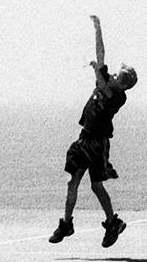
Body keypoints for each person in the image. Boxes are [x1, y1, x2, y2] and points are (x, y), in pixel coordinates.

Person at [51, 15, 137, 248]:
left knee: (96, 185)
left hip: (98, 143)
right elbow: (101, 56)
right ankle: (66, 224)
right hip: (84, 137)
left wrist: (95, 70)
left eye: (118, 74)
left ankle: (112, 223)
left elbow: (101, 85)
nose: (114, 74)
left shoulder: (118, 96)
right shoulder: (110, 81)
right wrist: (98, 28)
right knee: (72, 182)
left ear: (124, 82)